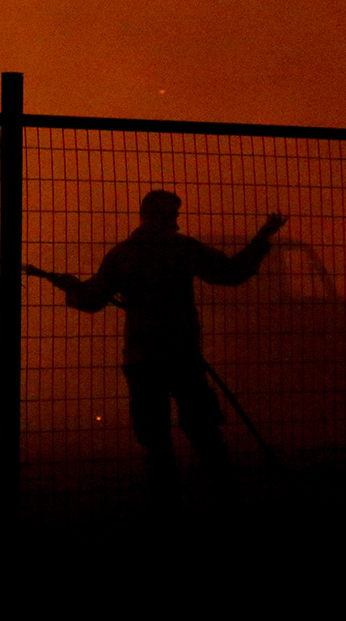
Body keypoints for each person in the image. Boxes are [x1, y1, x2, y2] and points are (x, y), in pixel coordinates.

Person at [45, 190, 287, 500]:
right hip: (182, 354)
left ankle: (165, 502)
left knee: (155, 439)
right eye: (172, 216)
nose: (175, 221)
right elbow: (230, 273)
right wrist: (261, 239)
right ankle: (226, 495)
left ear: (143, 216)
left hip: (143, 358)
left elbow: (93, 300)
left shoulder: (124, 254)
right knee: (204, 431)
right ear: (167, 217)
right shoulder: (180, 249)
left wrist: (73, 290)